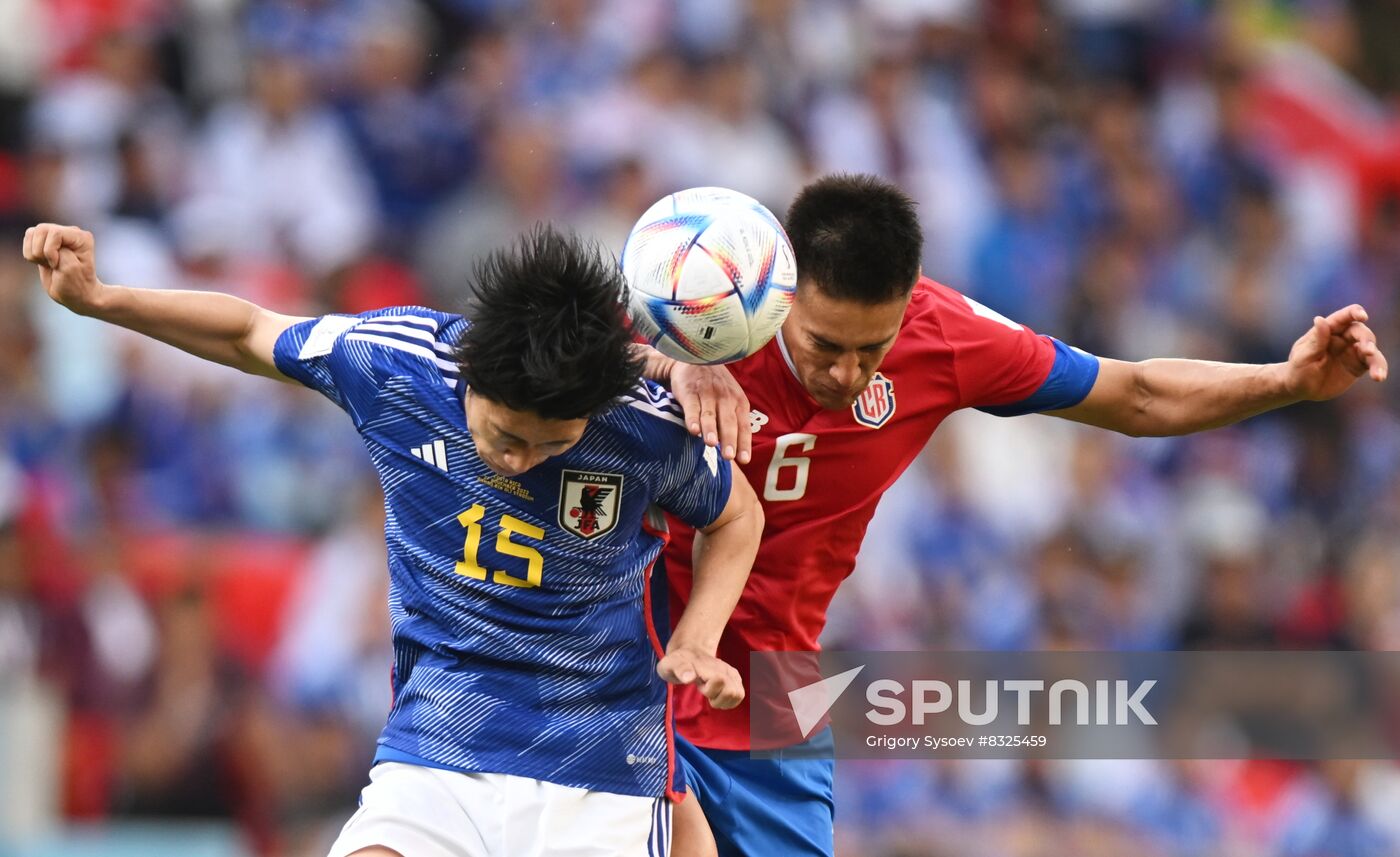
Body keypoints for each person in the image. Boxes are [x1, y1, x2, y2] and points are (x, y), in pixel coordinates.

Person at [643, 173, 1389, 857]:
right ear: (785, 295)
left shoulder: (946, 335)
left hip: (778, 688)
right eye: (824, 345)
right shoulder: (700, 299)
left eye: (871, 350)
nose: (845, 374)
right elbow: (541, 348)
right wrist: (669, 363)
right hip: (625, 654)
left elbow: (1135, 394)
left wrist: (1286, 380)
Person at [22, 222, 765, 857]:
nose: (523, 460)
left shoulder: (641, 427)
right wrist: (101, 299)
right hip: (439, 745)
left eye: (553, 443)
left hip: (600, 761)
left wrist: (698, 638)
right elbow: (250, 329)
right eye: (506, 435)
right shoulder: (398, 363)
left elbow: (738, 514)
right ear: (470, 368)